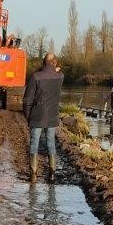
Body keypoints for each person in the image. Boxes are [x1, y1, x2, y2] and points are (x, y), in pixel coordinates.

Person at [22, 52, 64, 183]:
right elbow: (55, 72)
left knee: (34, 143)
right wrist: (54, 69)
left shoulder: (36, 77)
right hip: (52, 116)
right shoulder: (60, 77)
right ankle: (52, 173)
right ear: (55, 63)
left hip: (37, 116)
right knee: (50, 143)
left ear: (43, 63)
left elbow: (27, 100)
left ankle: (33, 174)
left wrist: (28, 116)